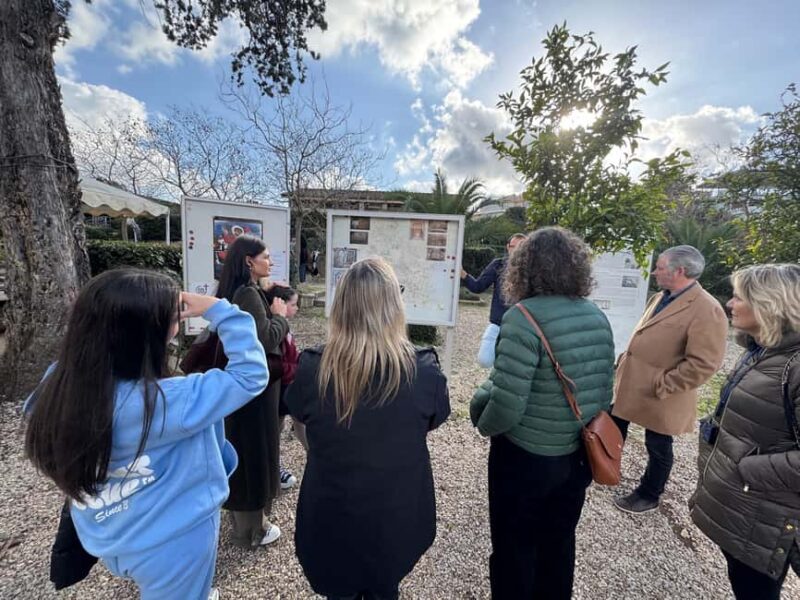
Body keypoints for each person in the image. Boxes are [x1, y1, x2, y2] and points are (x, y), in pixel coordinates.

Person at [24, 268, 269, 599]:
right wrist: (219, 309)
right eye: (170, 318)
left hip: (107, 530)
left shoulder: (58, 385)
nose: (177, 323)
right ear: (143, 335)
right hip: (174, 541)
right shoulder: (168, 401)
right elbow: (249, 375)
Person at [285, 257, 450, 600]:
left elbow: (300, 424)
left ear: (341, 306)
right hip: (397, 518)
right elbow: (429, 422)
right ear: (394, 305)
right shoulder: (424, 371)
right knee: (385, 586)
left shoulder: (314, 368)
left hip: (330, 517)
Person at [470, 227, 615, 600]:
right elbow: (603, 392)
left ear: (524, 268)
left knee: (514, 546)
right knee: (560, 542)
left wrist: (482, 424)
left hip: (526, 458)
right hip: (579, 455)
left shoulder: (523, 317)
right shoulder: (597, 316)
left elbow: (506, 405)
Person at [690, 264, 800, 600]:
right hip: (749, 509)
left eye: (740, 297)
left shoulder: (794, 365)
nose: (730, 303)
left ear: (769, 303)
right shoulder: (763, 351)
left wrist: (748, 469)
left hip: (767, 516)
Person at [611, 245, 728, 514]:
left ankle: (649, 494)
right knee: (612, 424)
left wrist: (665, 384)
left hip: (662, 393)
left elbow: (704, 363)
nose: (654, 272)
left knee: (659, 445)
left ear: (680, 271)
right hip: (631, 383)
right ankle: (605, 468)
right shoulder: (661, 296)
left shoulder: (707, 309)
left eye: (660, 267)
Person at [216, 235, 290, 548]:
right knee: (255, 453)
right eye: (266, 257)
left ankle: (248, 526)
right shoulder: (247, 293)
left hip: (241, 389)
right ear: (249, 261)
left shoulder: (237, 291)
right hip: (256, 393)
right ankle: (252, 530)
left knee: (245, 451)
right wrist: (280, 317)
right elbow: (265, 340)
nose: (270, 263)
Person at [263, 284, 307, 489]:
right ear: (279, 304)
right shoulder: (275, 330)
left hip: (288, 386)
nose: (296, 308)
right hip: (279, 389)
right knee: (276, 430)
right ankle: (274, 469)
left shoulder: (284, 328)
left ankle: (315, 459)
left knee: (298, 424)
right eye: (293, 304)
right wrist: (299, 369)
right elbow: (277, 365)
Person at [461, 233, 526, 367]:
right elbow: (478, 286)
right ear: (508, 247)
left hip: (522, 327)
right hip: (498, 323)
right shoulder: (498, 265)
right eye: (514, 247)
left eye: (522, 247)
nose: (517, 251)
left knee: (513, 365)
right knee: (484, 360)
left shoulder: (533, 271)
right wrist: (463, 275)